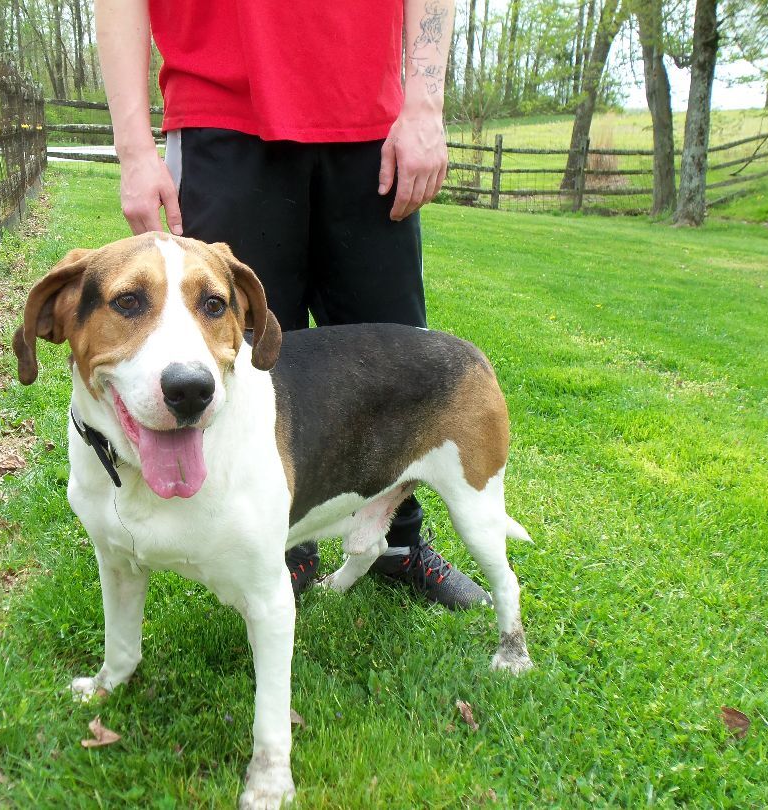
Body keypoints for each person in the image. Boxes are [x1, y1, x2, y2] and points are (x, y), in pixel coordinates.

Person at [94, 0, 490, 609]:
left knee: (395, 353)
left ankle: (396, 544)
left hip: (371, 122)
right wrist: (134, 150)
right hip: (221, 111)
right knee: (246, 357)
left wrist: (425, 104)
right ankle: (278, 546)